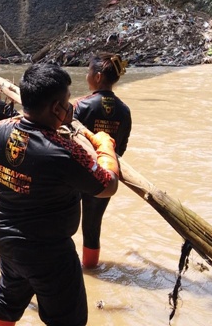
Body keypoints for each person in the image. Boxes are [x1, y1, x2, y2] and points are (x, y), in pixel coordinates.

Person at [0, 63, 119, 326]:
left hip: (7, 239)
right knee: (69, 319)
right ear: (56, 107)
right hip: (50, 252)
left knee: (8, 300)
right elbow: (108, 185)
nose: (70, 107)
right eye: (67, 101)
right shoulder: (62, 152)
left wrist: (62, 126)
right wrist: (105, 147)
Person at [73, 52, 131, 268]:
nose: (86, 76)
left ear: (97, 77)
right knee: (92, 226)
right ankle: (91, 269)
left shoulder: (81, 105)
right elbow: (121, 148)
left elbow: (69, 142)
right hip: (105, 174)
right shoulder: (124, 110)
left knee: (63, 223)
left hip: (77, 174)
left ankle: (66, 268)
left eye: (88, 72)